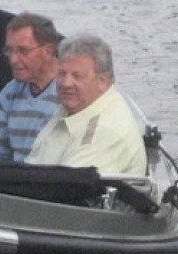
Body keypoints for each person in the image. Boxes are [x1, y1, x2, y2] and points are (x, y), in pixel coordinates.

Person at [26, 35, 147, 176]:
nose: (65, 83)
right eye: (62, 74)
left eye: (77, 76)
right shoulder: (74, 107)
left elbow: (66, 191)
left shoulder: (103, 131)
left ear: (102, 81)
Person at [0, 12, 62, 162]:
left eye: (23, 51)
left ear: (48, 51)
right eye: (9, 50)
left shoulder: (71, 93)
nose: (13, 60)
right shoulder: (9, 94)